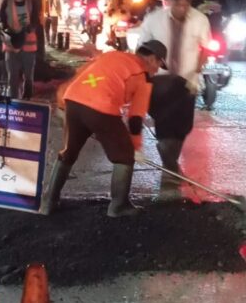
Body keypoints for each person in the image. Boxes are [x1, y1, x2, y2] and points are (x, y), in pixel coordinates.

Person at [41, 41, 167, 217]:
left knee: (69, 151)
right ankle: (118, 206)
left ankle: (48, 202)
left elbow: (80, 73)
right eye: (160, 65)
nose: (157, 70)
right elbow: (136, 117)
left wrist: (63, 104)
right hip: (101, 107)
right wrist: (135, 148)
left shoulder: (112, 55)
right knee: (124, 156)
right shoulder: (143, 77)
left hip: (73, 100)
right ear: (153, 59)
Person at [137, 0, 211, 175]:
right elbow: (141, 49)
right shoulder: (153, 20)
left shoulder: (200, 20)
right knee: (164, 122)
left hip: (187, 81)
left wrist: (197, 71)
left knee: (183, 125)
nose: (182, 8)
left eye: (186, 3)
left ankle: (170, 159)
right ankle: (169, 164)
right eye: (178, 4)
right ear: (169, 1)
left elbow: (206, 48)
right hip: (160, 80)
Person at [0, 0, 40, 99]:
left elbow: (35, 21)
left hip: (28, 47)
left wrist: (30, 28)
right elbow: (2, 21)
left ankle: (27, 101)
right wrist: (4, 31)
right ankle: (13, 103)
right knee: (12, 77)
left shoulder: (31, 3)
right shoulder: (6, 3)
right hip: (11, 47)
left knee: (28, 77)